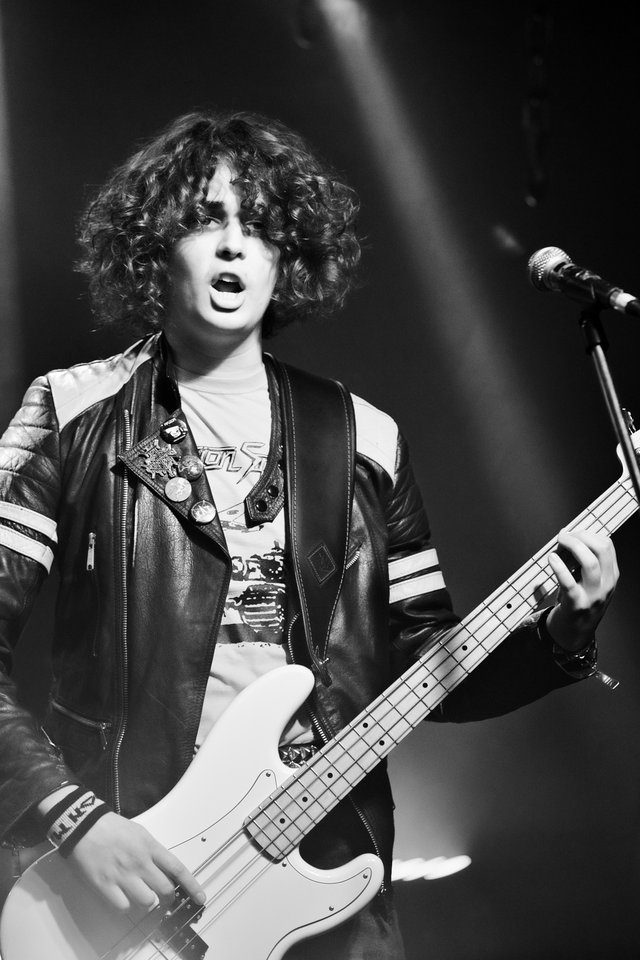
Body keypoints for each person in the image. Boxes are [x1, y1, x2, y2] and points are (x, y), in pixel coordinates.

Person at [0, 109, 618, 960]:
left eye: (259, 226)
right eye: (205, 220)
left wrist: (561, 637)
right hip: (133, 879)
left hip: (329, 878)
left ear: (289, 256)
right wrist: (72, 819)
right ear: (153, 247)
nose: (234, 245)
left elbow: (430, 672)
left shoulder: (364, 437)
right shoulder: (74, 411)